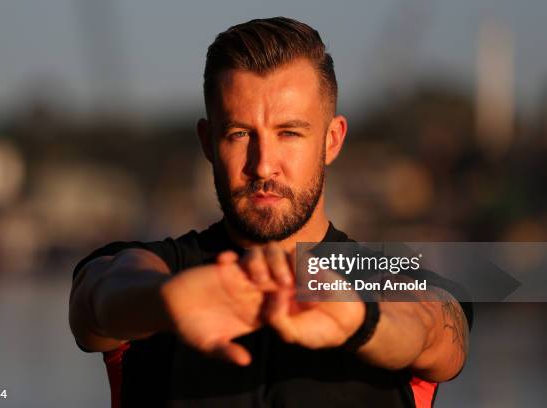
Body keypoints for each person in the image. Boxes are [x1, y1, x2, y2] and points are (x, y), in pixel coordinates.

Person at [69, 17, 472, 408]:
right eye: (240, 134)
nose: (263, 165)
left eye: (289, 133)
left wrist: (357, 321)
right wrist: (167, 304)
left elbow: (430, 326)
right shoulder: (155, 270)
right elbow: (99, 301)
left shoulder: (393, 278)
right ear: (208, 142)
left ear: (332, 140)